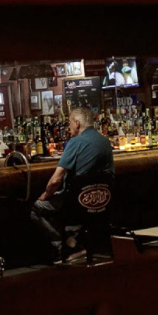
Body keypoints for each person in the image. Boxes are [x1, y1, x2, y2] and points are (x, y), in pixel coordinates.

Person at [30, 106, 114, 263]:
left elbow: (56, 179)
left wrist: (46, 195)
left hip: (75, 204)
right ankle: (74, 238)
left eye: (69, 123)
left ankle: (66, 246)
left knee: (37, 208)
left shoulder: (76, 142)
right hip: (101, 201)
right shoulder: (105, 141)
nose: (68, 127)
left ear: (77, 123)